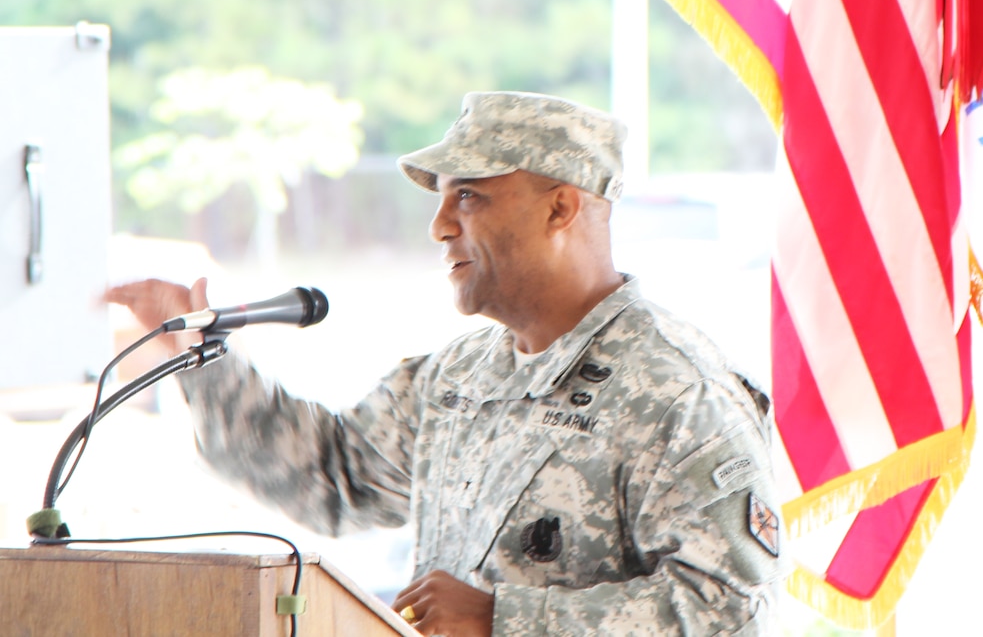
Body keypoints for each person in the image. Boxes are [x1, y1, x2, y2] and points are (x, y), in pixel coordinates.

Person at [108, 91, 787, 636]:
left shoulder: (674, 390)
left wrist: (504, 622)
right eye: (441, 197)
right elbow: (333, 477)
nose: (437, 225)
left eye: (469, 195)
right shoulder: (455, 377)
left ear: (560, 207)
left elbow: (729, 611)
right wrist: (204, 364)